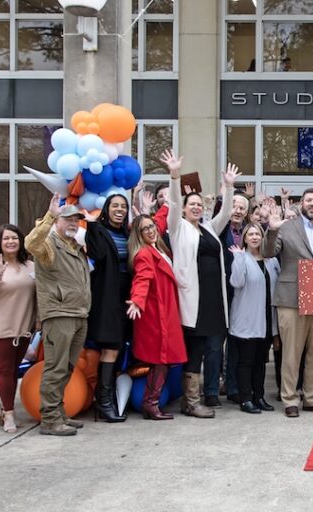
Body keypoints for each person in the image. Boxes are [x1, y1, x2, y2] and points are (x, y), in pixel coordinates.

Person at [160, 150, 239, 418]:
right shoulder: (178, 227)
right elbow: (171, 204)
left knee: (210, 347)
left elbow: (226, 215)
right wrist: (174, 176)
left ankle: (201, 395)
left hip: (213, 299)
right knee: (194, 350)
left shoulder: (207, 229)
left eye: (198, 205)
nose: (195, 207)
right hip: (192, 299)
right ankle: (191, 402)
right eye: (190, 204)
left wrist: (229, 188)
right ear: (183, 208)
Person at [263, 187, 313, 418]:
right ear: (301, 204)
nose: (312, 204)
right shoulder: (286, 228)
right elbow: (268, 252)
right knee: (291, 352)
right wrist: (271, 230)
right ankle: (290, 399)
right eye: (308, 200)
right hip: (291, 298)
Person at [24, 195, 91, 436]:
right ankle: (50, 419)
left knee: (67, 367)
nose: (73, 223)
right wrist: (50, 215)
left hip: (78, 314)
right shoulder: (49, 244)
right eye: (68, 219)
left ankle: (59, 412)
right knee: (55, 367)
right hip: (60, 314)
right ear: (57, 222)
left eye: (76, 220)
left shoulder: (75, 247)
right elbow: (31, 243)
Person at [125, 215, 187, 421]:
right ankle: (150, 403)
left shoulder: (157, 247)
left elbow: (160, 218)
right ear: (138, 234)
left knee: (165, 359)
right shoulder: (144, 254)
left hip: (165, 309)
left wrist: (172, 194)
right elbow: (142, 279)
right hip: (155, 313)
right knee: (161, 359)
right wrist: (136, 300)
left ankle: (150, 402)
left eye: (152, 227)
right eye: (145, 229)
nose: (151, 230)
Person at [0, 224, 37, 433]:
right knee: (5, 370)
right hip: (1, 328)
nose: (11, 242)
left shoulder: (30, 266)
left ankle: (5, 408)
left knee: (14, 372)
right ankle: (10, 414)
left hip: (24, 328)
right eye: (6, 239)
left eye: (14, 238)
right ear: (0, 244)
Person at [84, 194, 131, 423]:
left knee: (120, 348)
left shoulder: (128, 233)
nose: (119, 210)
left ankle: (109, 397)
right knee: (110, 348)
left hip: (127, 299)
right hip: (107, 298)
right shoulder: (100, 230)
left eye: (123, 206)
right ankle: (104, 402)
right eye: (115, 206)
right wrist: (92, 227)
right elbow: (99, 254)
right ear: (106, 209)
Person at [227, 224, 280, 414]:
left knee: (261, 361)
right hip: (248, 319)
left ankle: (259, 396)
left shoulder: (271, 260)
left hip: (267, 319)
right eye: (251, 234)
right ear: (245, 238)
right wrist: (239, 259)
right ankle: (246, 399)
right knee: (246, 361)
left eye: (258, 233)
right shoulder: (241, 258)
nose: (255, 237)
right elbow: (237, 282)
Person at [219, 193, 251, 405]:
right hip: (222, 292)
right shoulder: (221, 231)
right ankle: (218, 386)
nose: (238, 211)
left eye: (242, 208)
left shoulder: (251, 233)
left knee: (237, 344)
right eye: (234, 206)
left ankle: (234, 386)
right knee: (219, 342)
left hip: (245, 294)